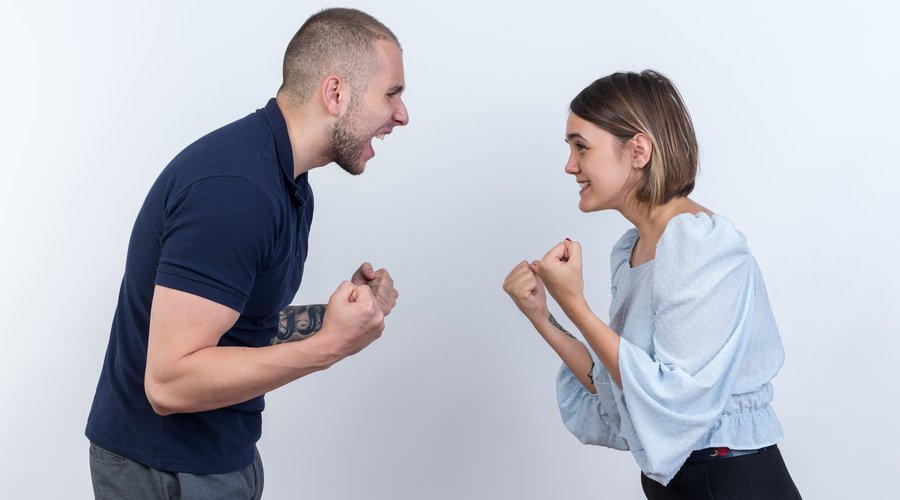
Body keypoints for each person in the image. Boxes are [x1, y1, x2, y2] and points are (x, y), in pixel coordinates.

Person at [85, 8, 408, 498]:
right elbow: (168, 383)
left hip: (219, 459)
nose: (402, 115)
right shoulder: (237, 191)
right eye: (392, 94)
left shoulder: (287, 182)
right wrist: (329, 347)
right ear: (336, 93)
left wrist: (337, 318)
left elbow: (237, 327)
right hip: (167, 470)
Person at [502, 70, 801, 499]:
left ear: (638, 149)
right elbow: (621, 383)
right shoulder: (634, 250)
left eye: (581, 146)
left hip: (731, 480)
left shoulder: (700, 244)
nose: (570, 165)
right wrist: (543, 314)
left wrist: (575, 304)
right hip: (681, 484)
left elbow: (674, 401)